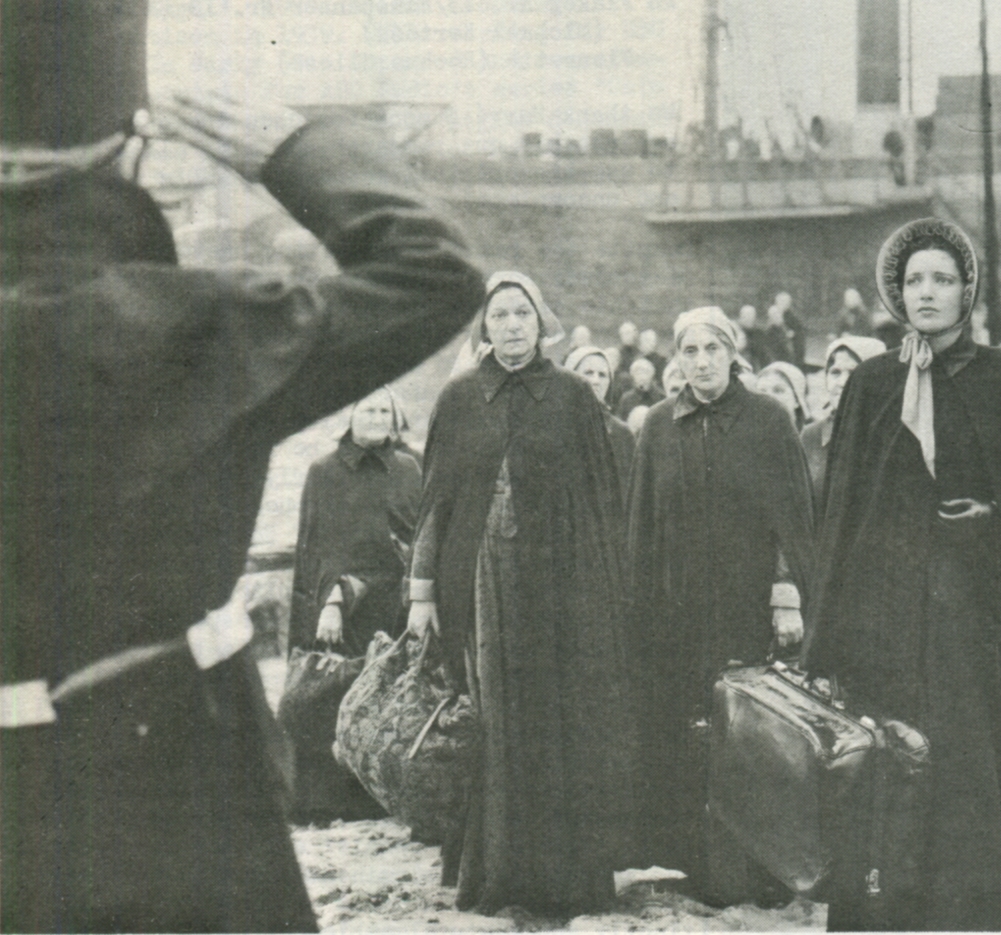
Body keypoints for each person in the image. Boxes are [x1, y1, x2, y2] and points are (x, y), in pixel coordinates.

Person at [0, 4, 484, 930]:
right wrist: (301, 149)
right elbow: (432, 271)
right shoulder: (195, 331)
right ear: (130, 150)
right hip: (174, 785)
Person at [804, 218, 1001, 931]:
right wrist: (831, 638)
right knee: (897, 773)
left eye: (942, 279)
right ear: (896, 293)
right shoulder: (872, 383)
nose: (928, 292)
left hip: (983, 619)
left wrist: (991, 520)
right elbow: (843, 517)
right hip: (890, 626)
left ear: (966, 290)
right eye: (914, 280)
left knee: (985, 776)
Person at [407, 271, 635, 917]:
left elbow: (600, 501)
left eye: (522, 314)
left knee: (559, 718)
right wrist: (421, 592)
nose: (511, 325)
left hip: (560, 587)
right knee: (493, 720)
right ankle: (496, 870)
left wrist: (601, 585)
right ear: (484, 326)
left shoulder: (570, 396)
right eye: (499, 315)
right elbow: (435, 504)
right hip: (476, 586)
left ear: (541, 324)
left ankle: (565, 876)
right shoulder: (457, 399)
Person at [626, 307, 816, 907]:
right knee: (688, 732)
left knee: (751, 735)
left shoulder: (767, 419)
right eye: (690, 350)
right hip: (677, 611)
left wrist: (785, 597)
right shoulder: (659, 425)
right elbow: (642, 527)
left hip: (746, 608)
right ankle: (697, 866)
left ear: (733, 355)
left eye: (713, 349)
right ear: (676, 359)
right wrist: (641, 608)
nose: (702, 361)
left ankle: (760, 868)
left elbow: (794, 521)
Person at [286, 387, 420, 824]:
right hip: (337, 607)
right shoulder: (323, 472)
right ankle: (325, 800)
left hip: (392, 605)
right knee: (326, 693)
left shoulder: (406, 469)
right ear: (349, 415)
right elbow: (315, 549)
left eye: (385, 409)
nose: (378, 417)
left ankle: (378, 796)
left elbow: (417, 537)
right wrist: (329, 601)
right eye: (368, 409)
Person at [798, 335, 886, 516]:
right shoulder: (810, 436)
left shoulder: (889, 438)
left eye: (854, 372)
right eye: (835, 372)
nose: (842, 382)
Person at [565, 344, 636, 501]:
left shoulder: (621, 433)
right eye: (588, 373)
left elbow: (628, 494)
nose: (595, 381)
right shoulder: (555, 427)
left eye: (602, 375)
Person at [755, 360, 810, 433]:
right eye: (762, 391)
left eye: (778, 390)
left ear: (796, 399)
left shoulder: (813, 438)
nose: (769, 397)